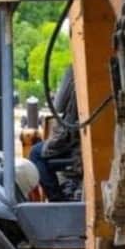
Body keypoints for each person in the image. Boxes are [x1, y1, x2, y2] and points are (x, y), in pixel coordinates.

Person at [29, 67, 78, 201]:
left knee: (35, 154)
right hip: (82, 137)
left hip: (74, 140)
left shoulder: (74, 70)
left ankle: (57, 200)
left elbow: (58, 106)